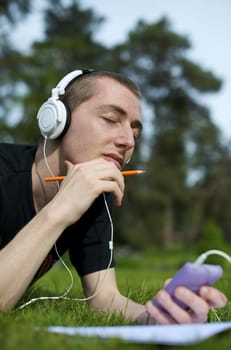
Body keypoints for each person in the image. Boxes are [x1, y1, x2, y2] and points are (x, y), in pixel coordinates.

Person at [0, 69, 227, 324]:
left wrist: (158, 317)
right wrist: (60, 211)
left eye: (135, 133)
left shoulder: (95, 194)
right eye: (110, 118)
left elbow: (104, 299)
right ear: (56, 120)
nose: (129, 141)